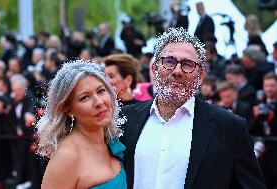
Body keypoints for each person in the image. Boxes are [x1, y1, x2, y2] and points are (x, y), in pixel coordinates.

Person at [120, 27, 266, 189]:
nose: (177, 71)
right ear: (154, 70)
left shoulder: (229, 127)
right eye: (169, 62)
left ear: (201, 76)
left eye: (188, 64)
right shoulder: (125, 119)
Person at [37, 60, 126, 189]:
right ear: (69, 109)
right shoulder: (67, 157)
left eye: (101, 91)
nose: (99, 102)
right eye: (84, 97)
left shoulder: (113, 140)